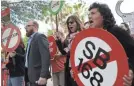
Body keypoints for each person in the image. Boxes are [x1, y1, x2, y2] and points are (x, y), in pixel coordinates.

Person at [88, 2, 134, 86]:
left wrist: (131, 70)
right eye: (89, 14)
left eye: (93, 13)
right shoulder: (93, 38)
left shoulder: (116, 31)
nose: (89, 16)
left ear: (103, 16)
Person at [55, 15, 83, 86]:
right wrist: (58, 41)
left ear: (77, 22)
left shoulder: (83, 34)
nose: (69, 24)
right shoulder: (68, 38)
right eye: (68, 23)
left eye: (71, 22)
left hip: (81, 67)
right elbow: (64, 52)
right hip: (70, 67)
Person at [25, 20, 51, 86]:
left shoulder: (40, 36)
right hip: (30, 77)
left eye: (27, 26)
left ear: (35, 26)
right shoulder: (29, 40)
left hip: (38, 78)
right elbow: (28, 57)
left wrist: (43, 76)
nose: (25, 28)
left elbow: (45, 56)